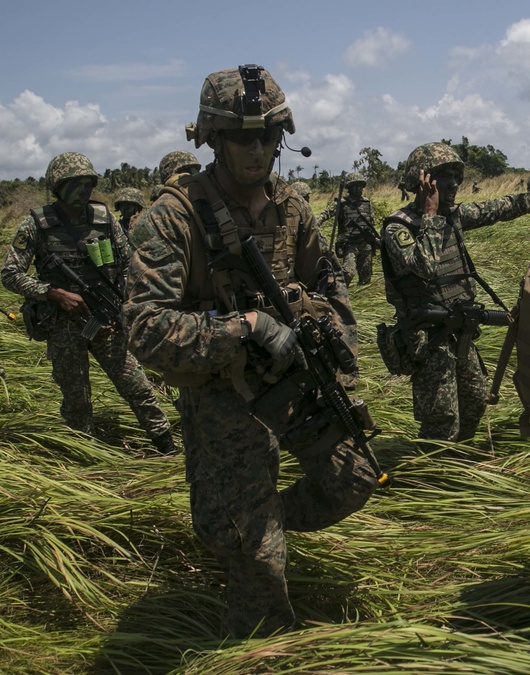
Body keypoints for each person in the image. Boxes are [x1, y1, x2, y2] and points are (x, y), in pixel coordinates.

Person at [123, 64, 380, 638]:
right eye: (241, 135)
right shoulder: (173, 215)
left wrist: (334, 327)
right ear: (212, 137)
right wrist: (243, 326)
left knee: (355, 480)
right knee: (257, 555)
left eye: (268, 135)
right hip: (220, 396)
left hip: (294, 381)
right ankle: (266, 642)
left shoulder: (292, 207)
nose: (257, 148)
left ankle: (250, 525)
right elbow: (143, 327)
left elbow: (332, 277)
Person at [380, 142, 530, 441]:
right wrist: (431, 215)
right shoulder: (398, 228)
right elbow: (425, 266)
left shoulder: (453, 216)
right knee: (441, 421)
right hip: (429, 340)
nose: (454, 184)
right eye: (445, 177)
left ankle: (461, 462)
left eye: (456, 177)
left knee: (474, 403)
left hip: (460, 332)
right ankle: (434, 477)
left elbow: (501, 207)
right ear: (423, 181)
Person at [1, 152, 176, 454]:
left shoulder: (104, 219)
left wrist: (123, 299)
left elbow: (127, 262)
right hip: (62, 324)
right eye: (75, 184)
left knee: (137, 387)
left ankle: (168, 446)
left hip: (105, 318)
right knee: (77, 398)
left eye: (88, 184)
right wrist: (51, 293)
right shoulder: (36, 225)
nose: (83, 191)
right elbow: (9, 273)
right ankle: (87, 454)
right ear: (58, 186)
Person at [319, 173, 378, 286]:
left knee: (366, 276)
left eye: (360, 185)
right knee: (348, 273)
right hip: (349, 244)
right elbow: (326, 213)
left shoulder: (366, 203)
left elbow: (372, 222)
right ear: (349, 188)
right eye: (355, 186)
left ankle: (361, 298)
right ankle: (339, 293)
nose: (358, 188)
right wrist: (316, 224)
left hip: (365, 244)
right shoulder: (342, 203)